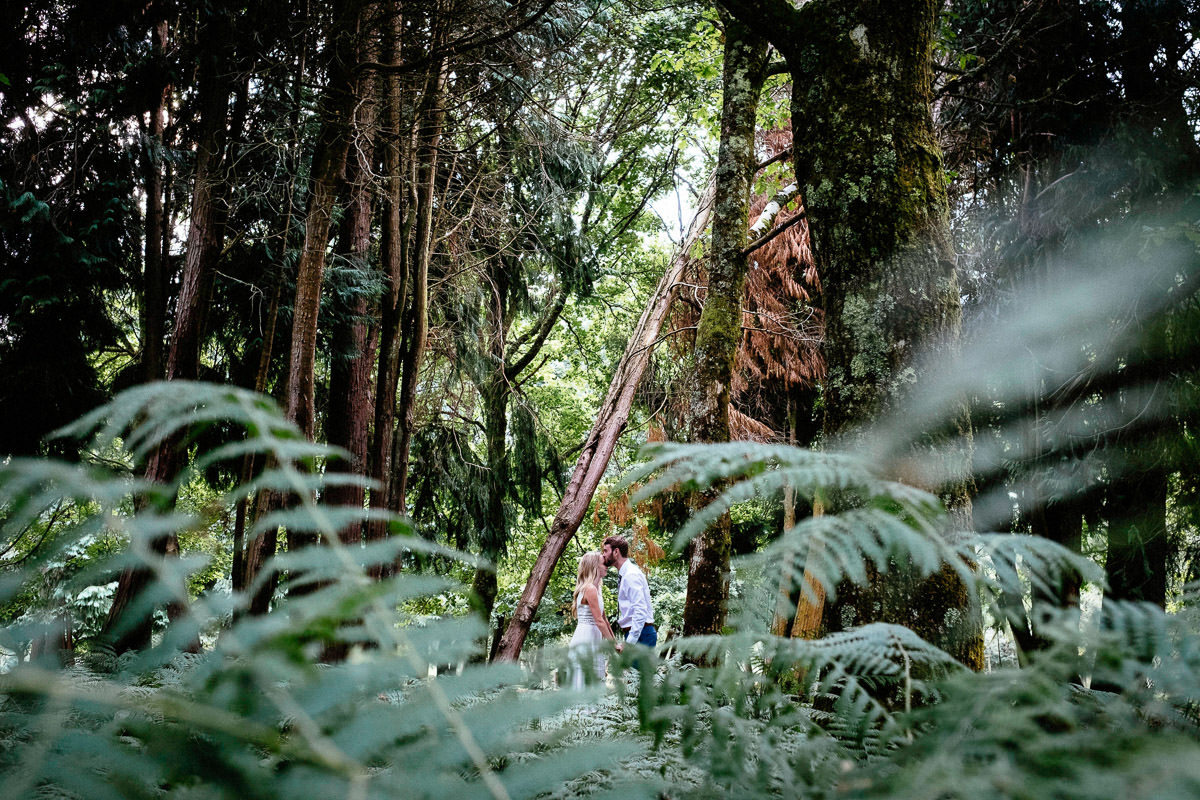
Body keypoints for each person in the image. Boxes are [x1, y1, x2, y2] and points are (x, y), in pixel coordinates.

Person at [568, 551, 616, 689]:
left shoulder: (597, 588)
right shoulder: (589, 589)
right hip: (586, 636)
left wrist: (614, 643)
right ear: (594, 566)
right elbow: (599, 621)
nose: (607, 565)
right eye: (603, 563)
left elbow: (605, 619)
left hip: (595, 636)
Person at [601, 535, 656, 654]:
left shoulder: (630, 575)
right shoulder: (626, 573)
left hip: (642, 636)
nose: (603, 555)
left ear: (616, 552)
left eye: (606, 551)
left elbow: (640, 610)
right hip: (639, 634)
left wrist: (630, 643)